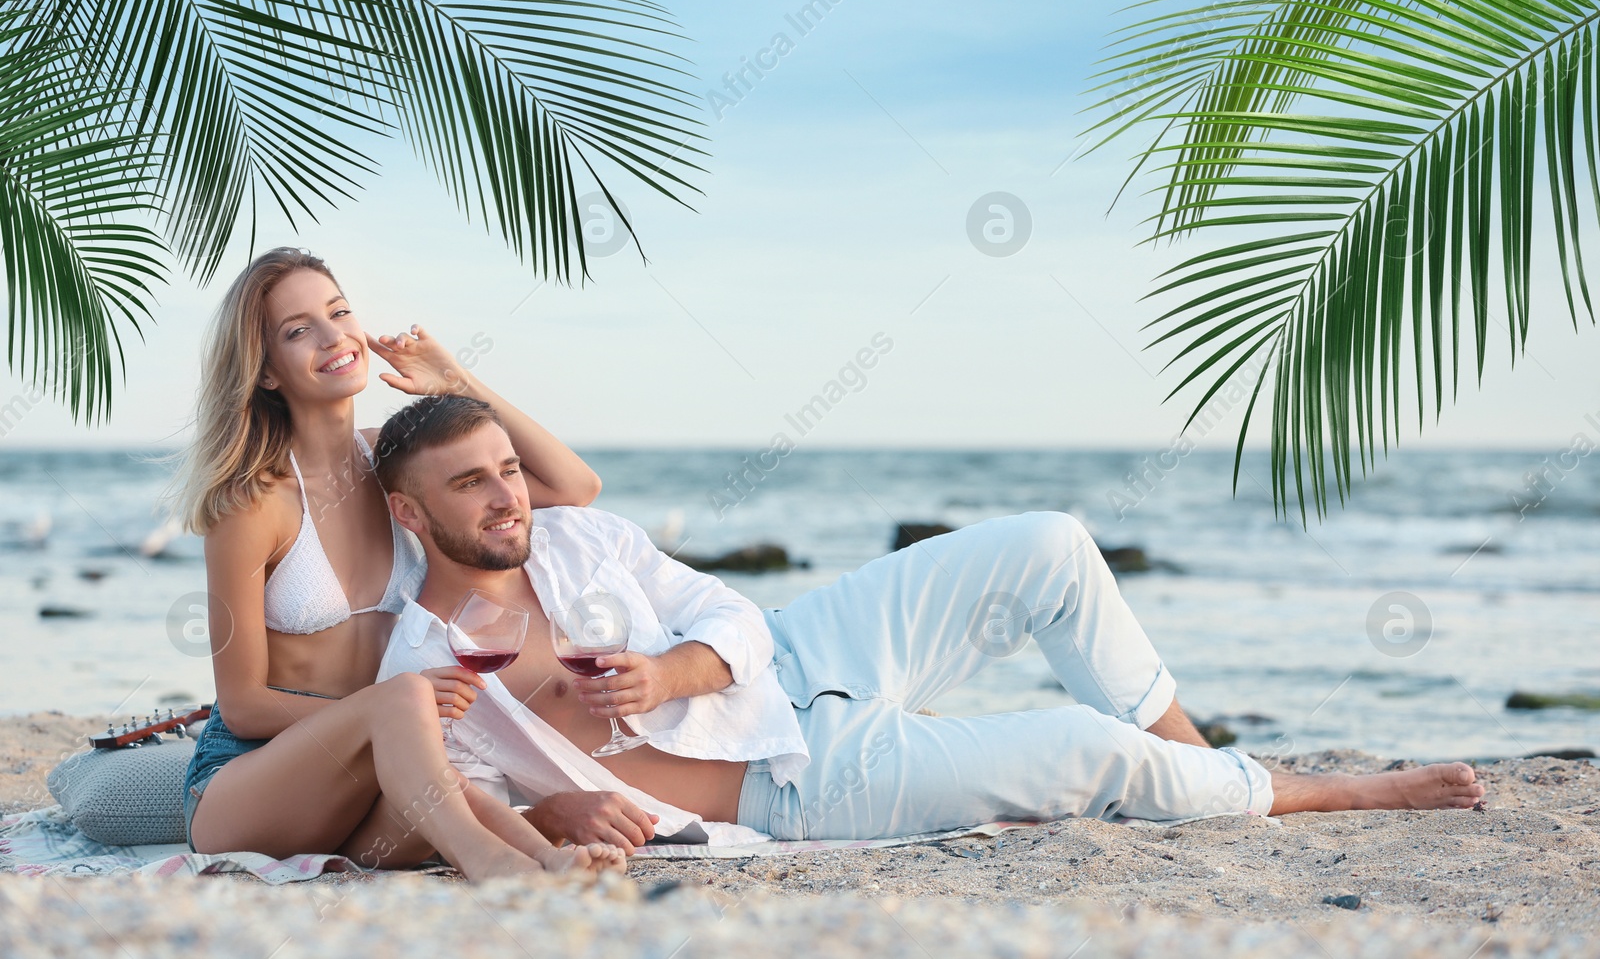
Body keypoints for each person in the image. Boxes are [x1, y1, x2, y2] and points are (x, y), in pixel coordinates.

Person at [375, 395, 1488, 853]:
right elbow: (447, 798)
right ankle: (1309, 788)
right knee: (1079, 747)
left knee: (1049, 540)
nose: (507, 496)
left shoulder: (579, 539)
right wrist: (556, 800)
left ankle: (1201, 769)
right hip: (797, 777)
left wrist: (670, 673)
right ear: (409, 511)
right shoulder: (426, 663)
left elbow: (726, 610)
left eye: (509, 469)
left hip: (805, 650)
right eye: (470, 484)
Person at [168, 248, 623, 879]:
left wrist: (455, 381)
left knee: (440, 782)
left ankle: (549, 860)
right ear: (267, 371)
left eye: (339, 311)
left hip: (373, 777)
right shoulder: (252, 503)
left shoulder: (394, 468)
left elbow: (573, 487)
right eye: (298, 331)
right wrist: (392, 708)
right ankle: (494, 868)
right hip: (249, 782)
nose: (333, 337)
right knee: (413, 715)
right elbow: (242, 704)